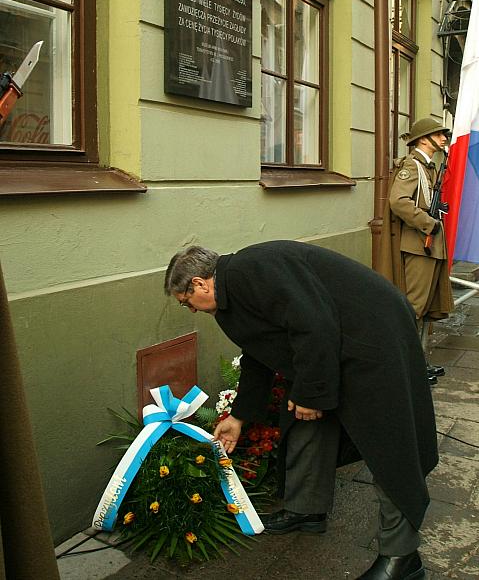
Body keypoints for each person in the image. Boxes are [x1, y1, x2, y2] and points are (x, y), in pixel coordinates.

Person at [165, 240, 438, 580]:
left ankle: (402, 558)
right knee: (302, 419)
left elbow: (315, 325)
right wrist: (238, 417)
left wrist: (311, 395)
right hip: (335, 342)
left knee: (388, 445)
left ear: (199, 283)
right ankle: (306, 510)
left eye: (187, 303)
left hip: (374, 338)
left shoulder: (251, 270)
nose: (192, 310)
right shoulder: (230, 292)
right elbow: (258, 356)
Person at [378, 117, 454, 385]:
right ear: (424, 139)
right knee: (413, 308)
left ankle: (418, 362)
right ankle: (405, 366)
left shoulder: (429, 167)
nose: (444, 138)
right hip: (418, 246)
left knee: (425, 309)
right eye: (439, 134)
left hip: (430, 246)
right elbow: (398, 202)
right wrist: (428, 223)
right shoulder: (412, 166)